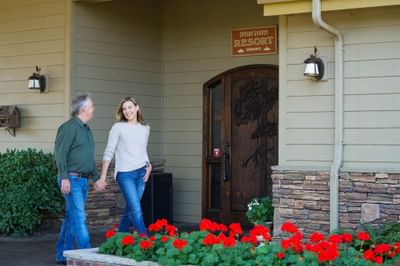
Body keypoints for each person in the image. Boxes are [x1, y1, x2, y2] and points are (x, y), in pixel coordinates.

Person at [95, 96, 152, 235]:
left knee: (130, 210)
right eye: (124, 109)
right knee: (136, 210)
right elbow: (109, 151)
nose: (127, 111)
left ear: (137, 107)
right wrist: (103, 177)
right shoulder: (118, 127)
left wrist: (149, 164)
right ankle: (147, 241)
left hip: (141, 172)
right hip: (125, 174)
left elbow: (142, 150)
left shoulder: (145, 128)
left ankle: (119, 240)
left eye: (130, 107)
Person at [54, 93, 100, 265]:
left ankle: (61, 254)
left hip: (82, 180)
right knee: (79, 217)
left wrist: (95, 177)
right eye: (92, 105)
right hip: (71, 180)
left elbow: (87, 158)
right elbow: (60, 153)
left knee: (71, 217)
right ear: (84, 109)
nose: (94, 108)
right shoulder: (69, 127)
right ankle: (88, 258)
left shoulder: (86, 130)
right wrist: (64, 177)